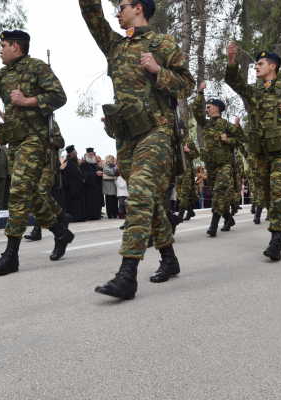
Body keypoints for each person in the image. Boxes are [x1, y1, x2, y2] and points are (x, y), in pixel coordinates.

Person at [81, 0, 195, 300]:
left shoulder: (162, 43)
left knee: (141, 192)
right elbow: (91, 14)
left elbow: (187, 85)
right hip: (126, 135)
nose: (117, 12)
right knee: (152, 201)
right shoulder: (114, 44)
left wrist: (159, 71)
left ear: (139, 8)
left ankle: (127, 275)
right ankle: (169, 259)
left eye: (122, 6)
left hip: (157, 129)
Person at [0, 29, 74, 275]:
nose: (0, 50)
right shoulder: (4, 73)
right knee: (31, 195)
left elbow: (59, 97)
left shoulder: (37, 67)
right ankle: (60, 232)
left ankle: (11, 255)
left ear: (15, 47)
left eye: (3, 46)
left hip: (36, 140)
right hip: (15, 142)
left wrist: (26, 100)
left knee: (18, 192)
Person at [225, 43, 281, 260]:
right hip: (260, 151)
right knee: (267, 195)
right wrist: (232, 60)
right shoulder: (255, 90)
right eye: (255, 64)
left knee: (279, 191)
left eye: (260, 64)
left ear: (273, 66)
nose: (256, 68)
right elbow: (235, 83)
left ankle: (277, 237)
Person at [192, 82, 246, 236]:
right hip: (211, 165)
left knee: (218, 192)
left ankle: (213, 225)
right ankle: (228, 218)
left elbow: (241, 139)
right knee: (219, 195)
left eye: (208, 107)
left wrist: (228, 139)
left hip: (225, 165)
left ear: (216, 109)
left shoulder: (226, 125)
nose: (205, 109)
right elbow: (196, 111)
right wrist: (200, 92)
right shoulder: (207, 125)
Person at [24, 123, 72, 241]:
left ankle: (38, 229)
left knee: (42, 194)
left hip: (48, 165)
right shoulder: (29, 124)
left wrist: (49, 140)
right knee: (38, 195)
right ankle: (62, 216)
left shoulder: (50, 124)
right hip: (36, 164)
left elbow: (61, 142)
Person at [61, 145, 87, 222]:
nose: (76, 154)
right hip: (72, 188)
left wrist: (84, 177)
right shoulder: (67, 162)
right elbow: (72, 175)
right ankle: (75, 218)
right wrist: (81, 180)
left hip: (78, 185)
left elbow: (82, 171)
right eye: (75, 153)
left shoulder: (74, 162)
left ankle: (81, 217)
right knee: (74, 204)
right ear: (72, 154)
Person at [177, 140, 200, 221]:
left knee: (184, 194)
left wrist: (188, 150)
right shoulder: (172, 141)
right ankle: (190, 211)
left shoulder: (189, 141)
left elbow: (197, 154)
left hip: (187, 172)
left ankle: (180, 215)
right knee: (180, 195)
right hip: (177, 172)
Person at [81, 147, 104, 220]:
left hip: (96, 185)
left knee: (96, 200)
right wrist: (95, 174)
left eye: (92, 154)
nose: (91, 155)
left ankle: (96, 214)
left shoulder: (94, 164)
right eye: (90, 154)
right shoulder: (84, 164)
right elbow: (85, 174)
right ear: (87, 155)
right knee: (90, 201)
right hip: (88, 186)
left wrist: (99, 174)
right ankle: (90, 215)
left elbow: (96, 172)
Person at [102, 154, 118, 219]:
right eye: (111, 159)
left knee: (114, 200)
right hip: (108, 185)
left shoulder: (113, 165)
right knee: (109, 200)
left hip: (114, 185)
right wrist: (115, 169)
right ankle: (110, 214)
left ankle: (115, 213)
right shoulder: (106, 166)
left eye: (113, 159)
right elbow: (109, 172)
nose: (112, 160)